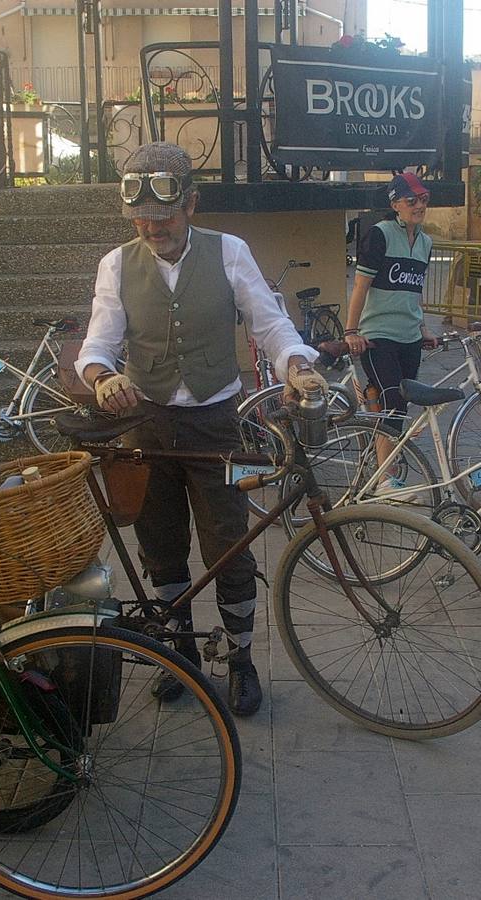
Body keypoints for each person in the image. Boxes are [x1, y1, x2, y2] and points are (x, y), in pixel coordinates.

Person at [75, 141, 324, 717]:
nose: (152, 227)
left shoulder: (229, 252)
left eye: (163, 217)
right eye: (141, 219)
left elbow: (270, 323)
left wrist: (298, 364)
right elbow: (99, 341)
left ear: (190, 203)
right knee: (160, 546)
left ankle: (239, 660)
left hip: (215, 423)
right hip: (149, 428)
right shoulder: (116, 264)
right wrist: (102, 376)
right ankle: (179, 655)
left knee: (229, 547)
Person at [343, 172, 439, 490]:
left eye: (423, 199)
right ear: (396, 204)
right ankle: (385, 481)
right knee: (392, 403)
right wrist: (351, 330)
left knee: (398, 407)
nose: (419, 205)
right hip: (378, 333)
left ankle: (381, 468)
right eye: (411, 200)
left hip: (409, 336)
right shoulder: (380, 234)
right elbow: (361, 285)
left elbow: (415, 289)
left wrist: (423, 326)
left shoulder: (425, 242)